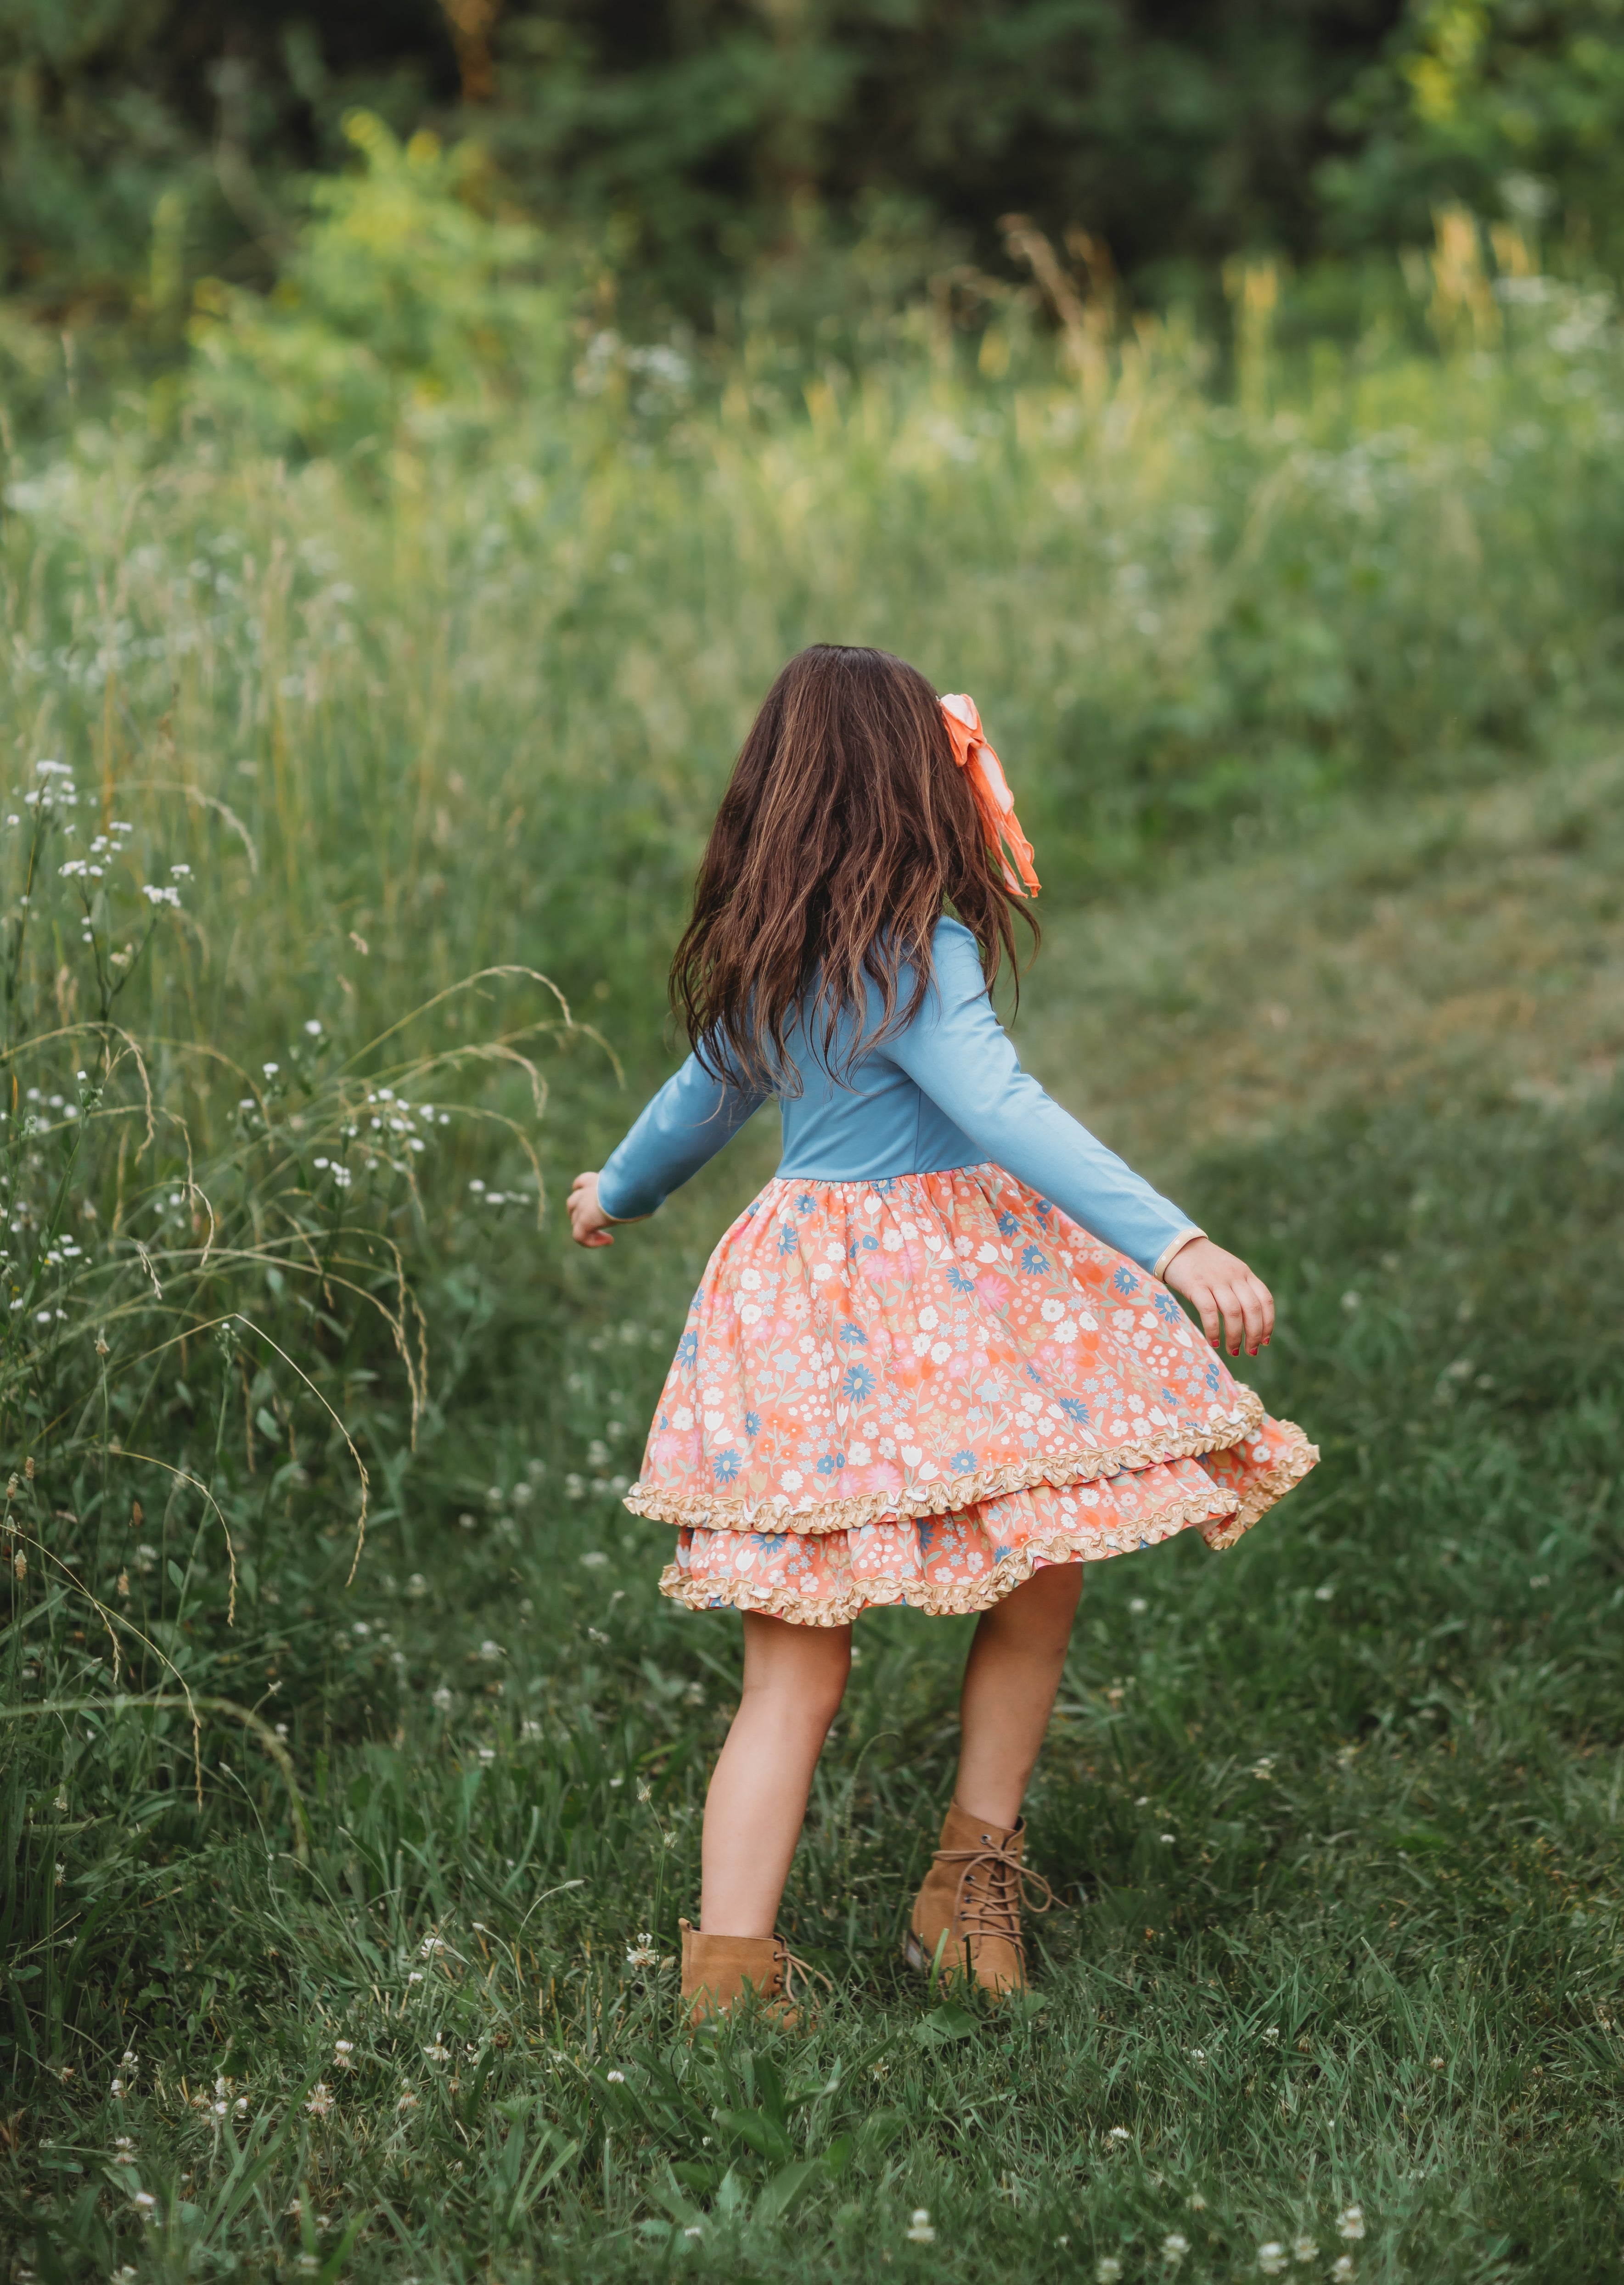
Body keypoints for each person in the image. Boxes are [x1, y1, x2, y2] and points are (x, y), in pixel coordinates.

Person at [568, 644, 1316, 2020]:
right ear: (918, 784)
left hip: (795, 1302)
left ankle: (743, 1973)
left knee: (795, 1656)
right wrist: (1175, 1239)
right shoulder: (918, 944)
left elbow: (696, 1099)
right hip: (951, 1299)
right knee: (1036, 1565)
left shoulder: (767, 939)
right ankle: (964, 1879)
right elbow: (1003, 1105)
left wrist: (616, 1188)